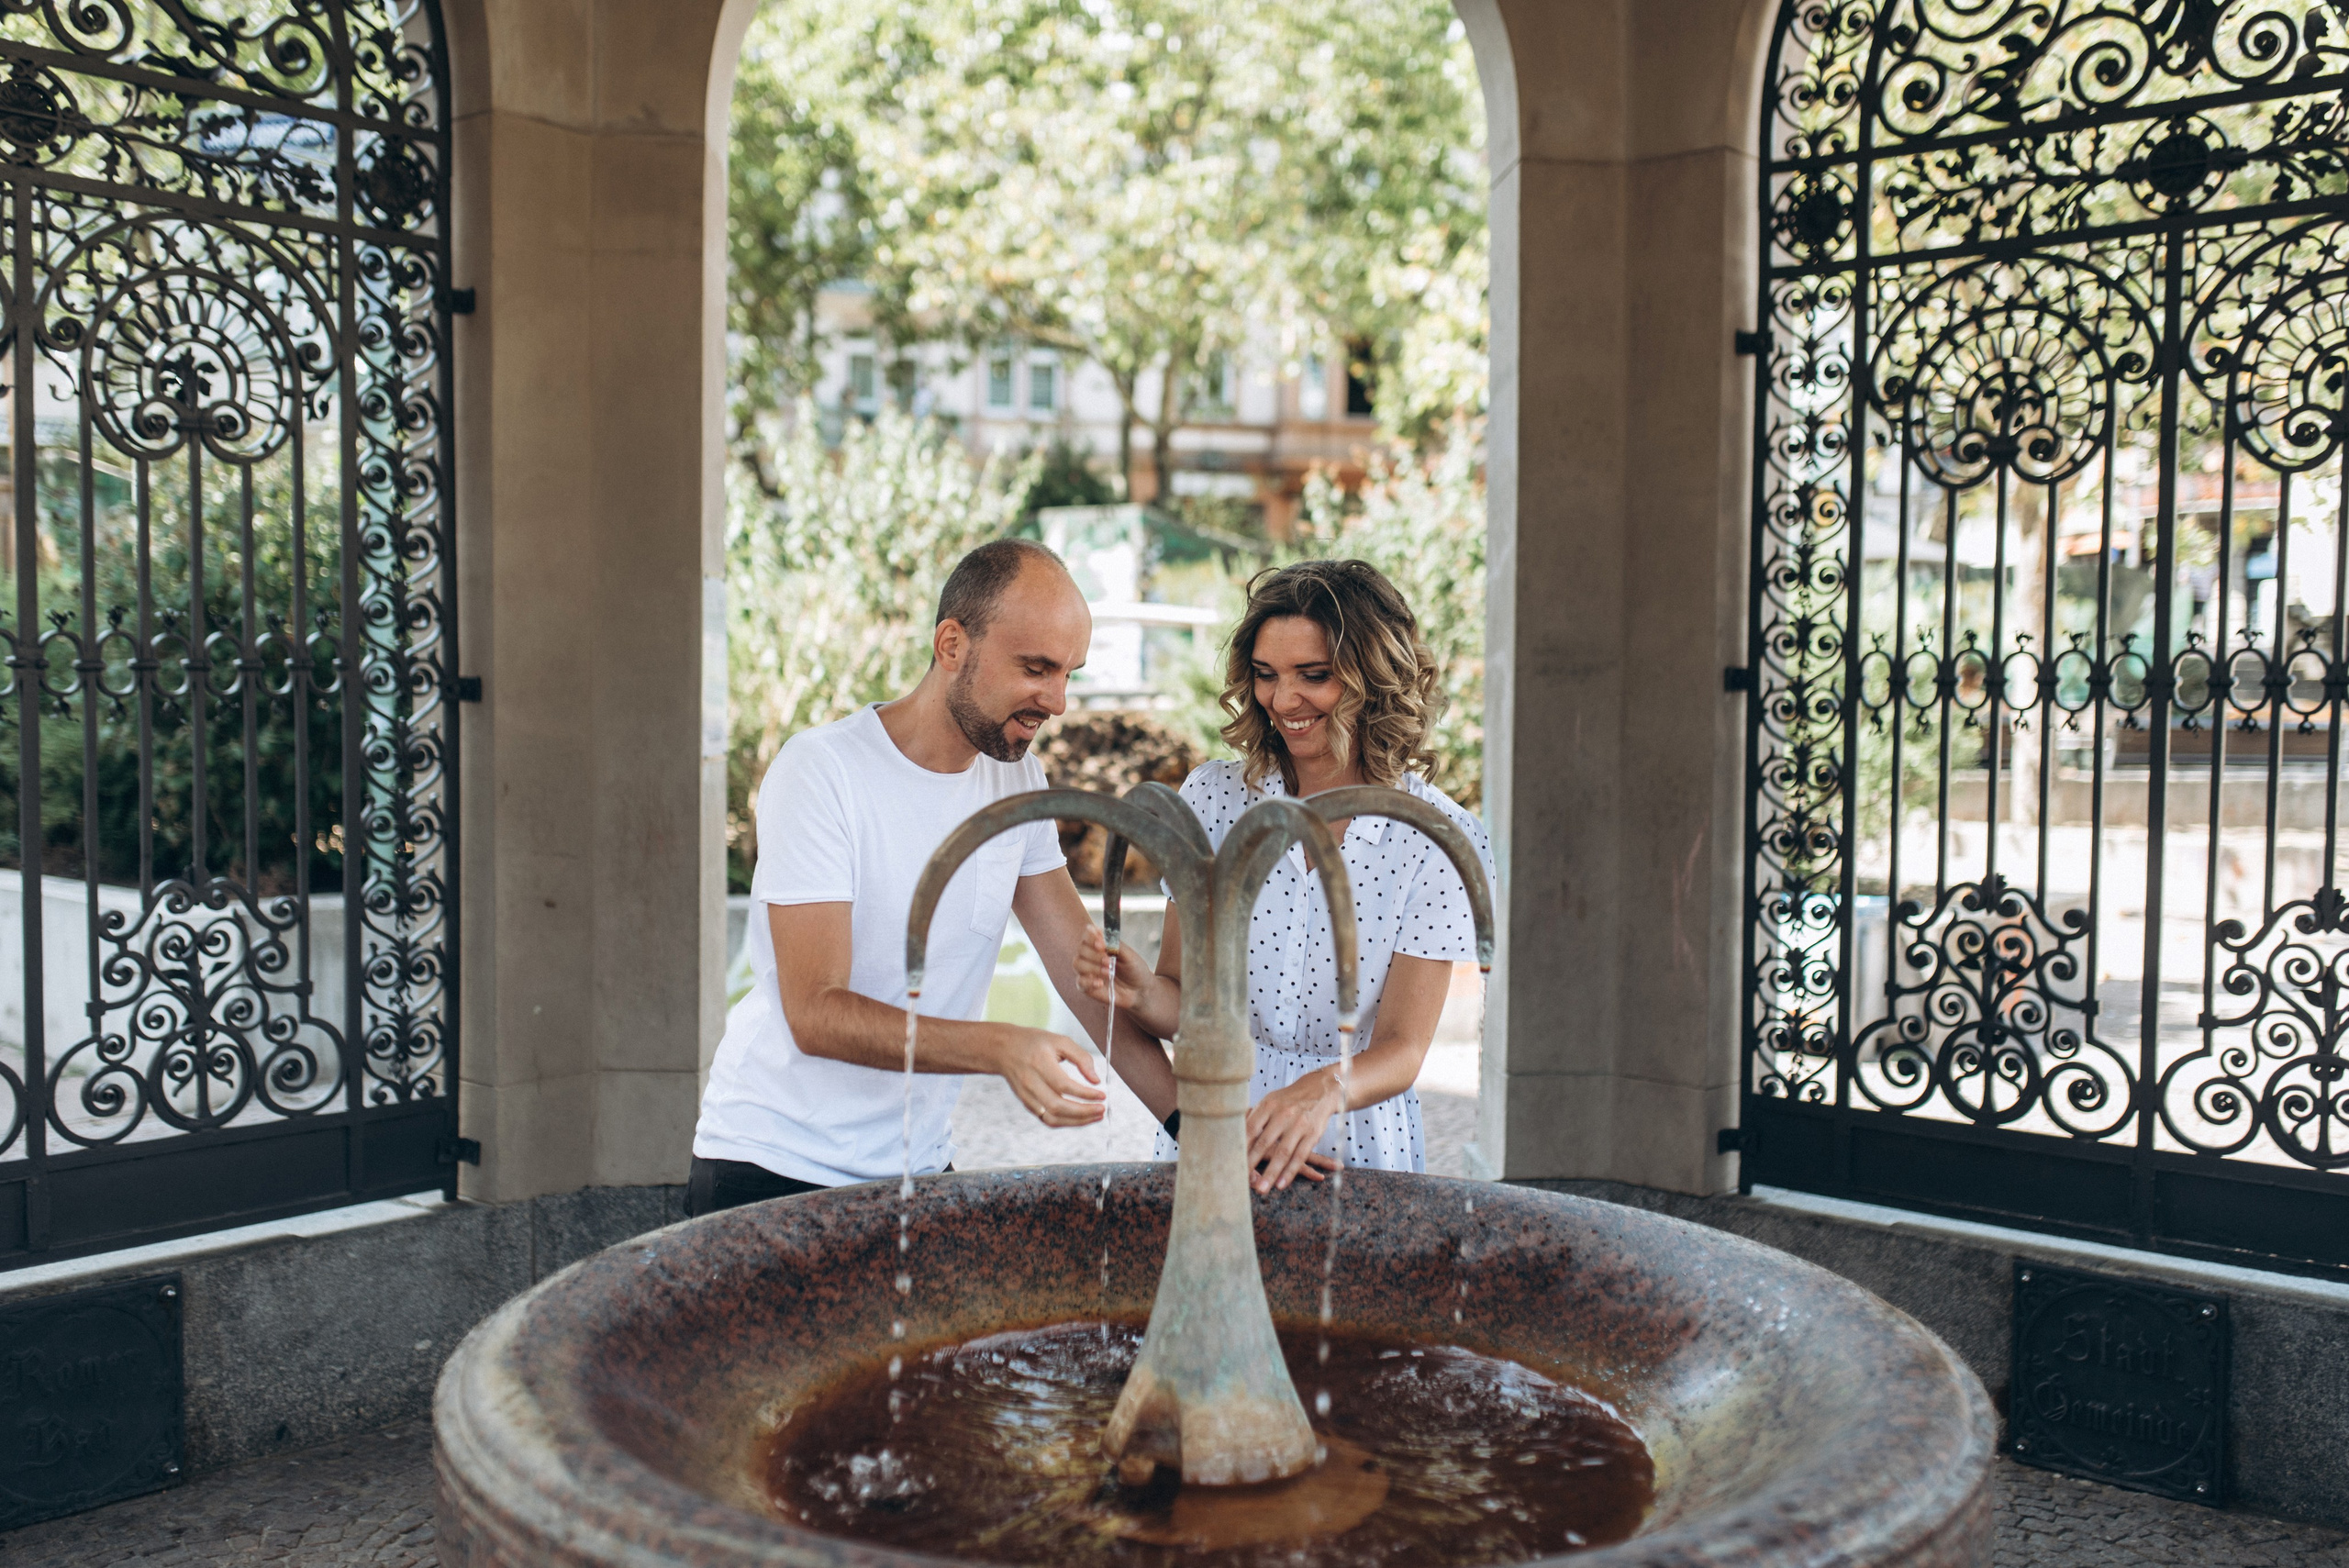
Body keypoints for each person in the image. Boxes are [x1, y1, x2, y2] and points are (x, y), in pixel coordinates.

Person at [689, 539, 1117, 1216]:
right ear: (952, 644)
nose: (1058, 700)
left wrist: (1198, 1124)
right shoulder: (823, 772)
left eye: (1070, 673)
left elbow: (1090, 980)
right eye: (1036, 668)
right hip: (774, 1167)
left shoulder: (1016, 778)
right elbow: (815, 1012)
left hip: (920, 1171)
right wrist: (1001, 1047)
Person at [1075, 559, 1491, 1193]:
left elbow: (1405, 1048)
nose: (1283, 699)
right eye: (1266, 675)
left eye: (1314, 676)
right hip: (1220, 1122)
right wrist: (1138, 991)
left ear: (1372, 678)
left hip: (1353, 1137)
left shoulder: (1434, 835)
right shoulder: (1214, 800)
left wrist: (1316, 1092)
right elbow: (1183, 1003)